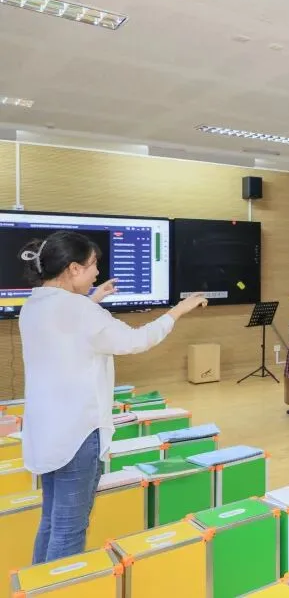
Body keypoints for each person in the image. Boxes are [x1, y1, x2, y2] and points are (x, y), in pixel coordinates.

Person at [18, 231, 207, 563]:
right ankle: (62, 584)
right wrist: (178, 310)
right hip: (77, 433)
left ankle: (39, 582)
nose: (96, 273)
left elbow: (68, 328)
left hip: (46, 431)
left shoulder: (35, 305)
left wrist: (93, 299)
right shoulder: (79, 311)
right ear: (73, 268)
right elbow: (136, 340)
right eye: (93, 265)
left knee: (51, 520)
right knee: (69, 529)